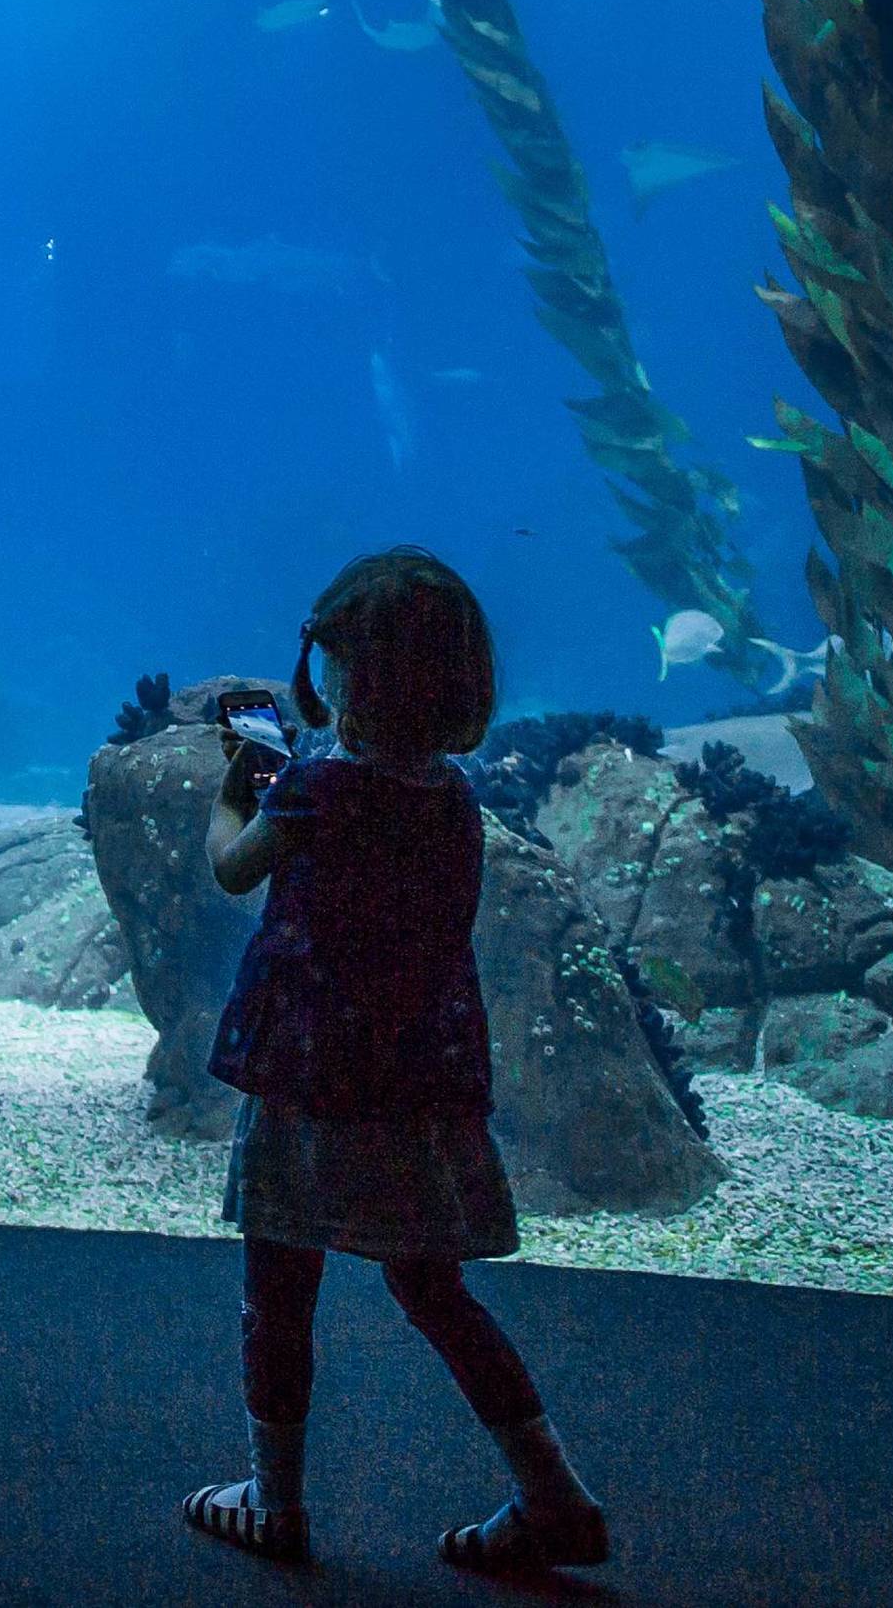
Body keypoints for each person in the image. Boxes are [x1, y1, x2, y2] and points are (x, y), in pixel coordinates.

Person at [182, 547, 608, 1579]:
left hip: (310, 1083)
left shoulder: (316, 792)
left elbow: (233, 870)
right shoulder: (450, 798)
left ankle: (272, 1500)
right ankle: (551, 1491)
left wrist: (234, 791)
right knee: (432, 1289)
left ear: (350, 677)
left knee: (278, 1284)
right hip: (413, 1087)